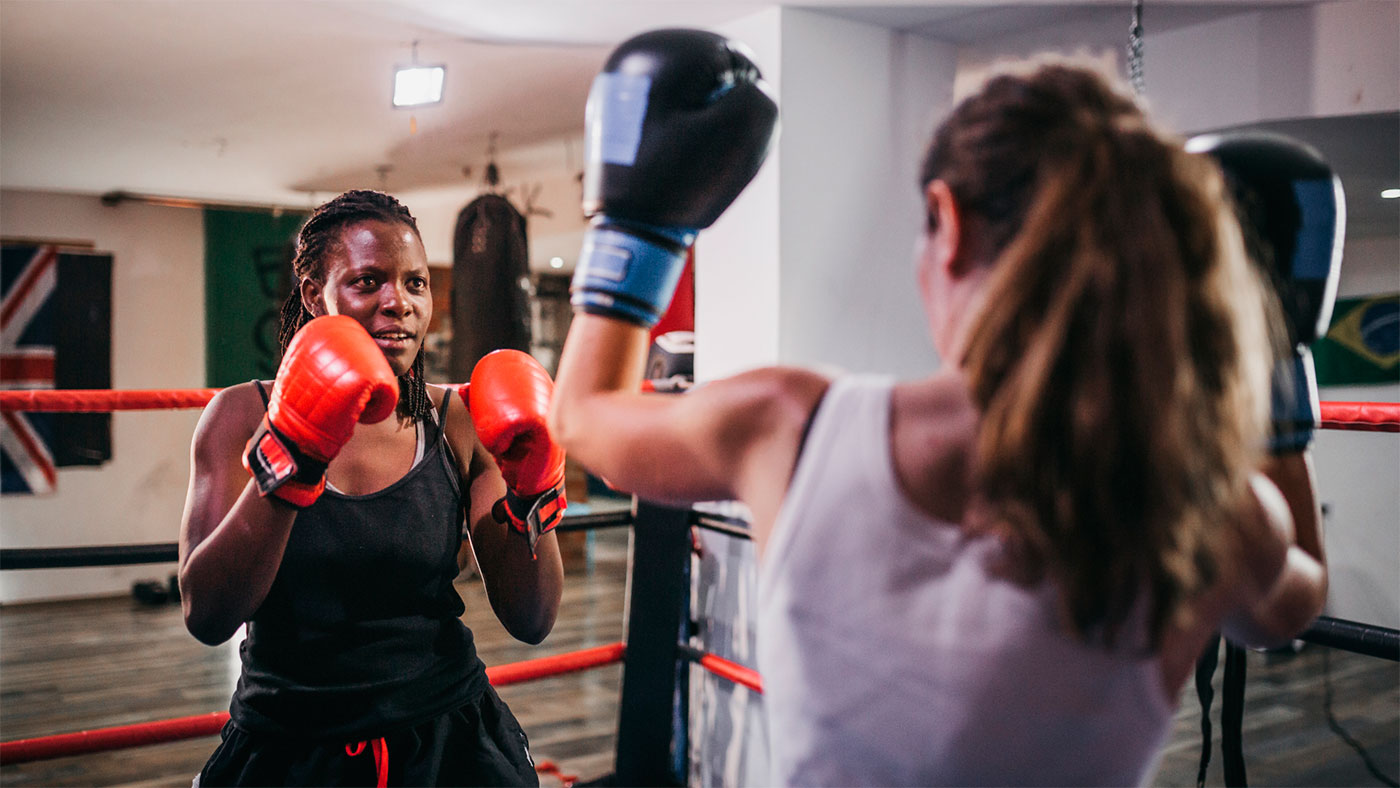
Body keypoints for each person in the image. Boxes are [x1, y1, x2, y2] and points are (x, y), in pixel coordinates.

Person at [549, 30, 1332, 787]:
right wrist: (1276, 360)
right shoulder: (1209, 511)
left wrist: (640, 231)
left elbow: (583, 417)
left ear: (947, 222)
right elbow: (1291, 607)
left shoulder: (787, 426)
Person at [178, 189, 566, 786]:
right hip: (291, 741)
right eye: (368, 282)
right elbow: (207, 615)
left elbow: (532, 618)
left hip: (447, 738)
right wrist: (292, 454)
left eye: (416, 283)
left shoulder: (456, 421)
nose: (399, 303)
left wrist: (532, 491)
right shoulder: (240, 415)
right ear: (315, 296)